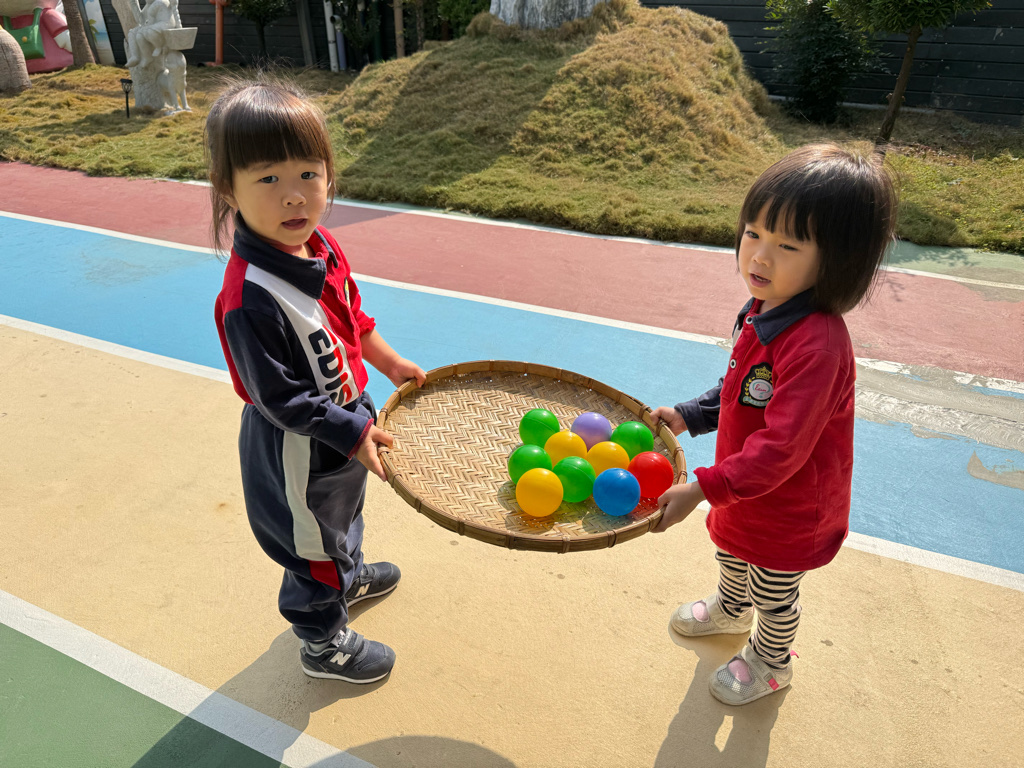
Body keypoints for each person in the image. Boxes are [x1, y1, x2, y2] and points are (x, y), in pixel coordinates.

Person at [650, 143, 897, 705]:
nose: (760, 256)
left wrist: (702, 488)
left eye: (787, 245)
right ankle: (731, 609)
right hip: (746, 489)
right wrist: (690, 414)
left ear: (837, 261)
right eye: (753, 233)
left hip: (790, 508)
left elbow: (782, 448)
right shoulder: (764, 308)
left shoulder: (818, 346)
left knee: (774, 589)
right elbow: (743, 389)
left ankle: (771, 660)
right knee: (731, 552)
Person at [208, 78, 425, 684]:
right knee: (310, 547)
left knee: (342, 517)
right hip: (299, 444)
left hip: (345, 422)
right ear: (228, 189)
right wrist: (351, 432)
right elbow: (280, 400)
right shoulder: (250, 298)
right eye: (268, 179)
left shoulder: (319, 244)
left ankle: (346, 576)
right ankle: (321, 640)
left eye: (309, 173)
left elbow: (352, 318)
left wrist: (388, 362)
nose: (294, 195)